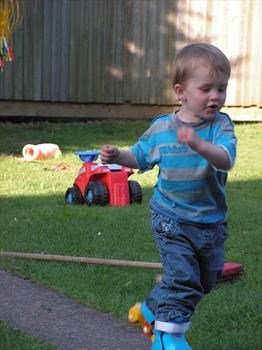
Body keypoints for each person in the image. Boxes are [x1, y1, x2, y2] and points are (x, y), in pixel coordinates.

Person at [100, 43, 237, 350]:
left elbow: (226, 159)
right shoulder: (162, 128)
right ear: (181, 91)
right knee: (183, 278)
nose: (215, 96)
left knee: (206, 280)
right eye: (206, 88)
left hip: (210, 221)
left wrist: (200, 145)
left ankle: (150, 308)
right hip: (171, 219)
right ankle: (167, 335)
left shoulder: (220, 126)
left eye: (221, 89)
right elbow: (140, 156)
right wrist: (118, 155)